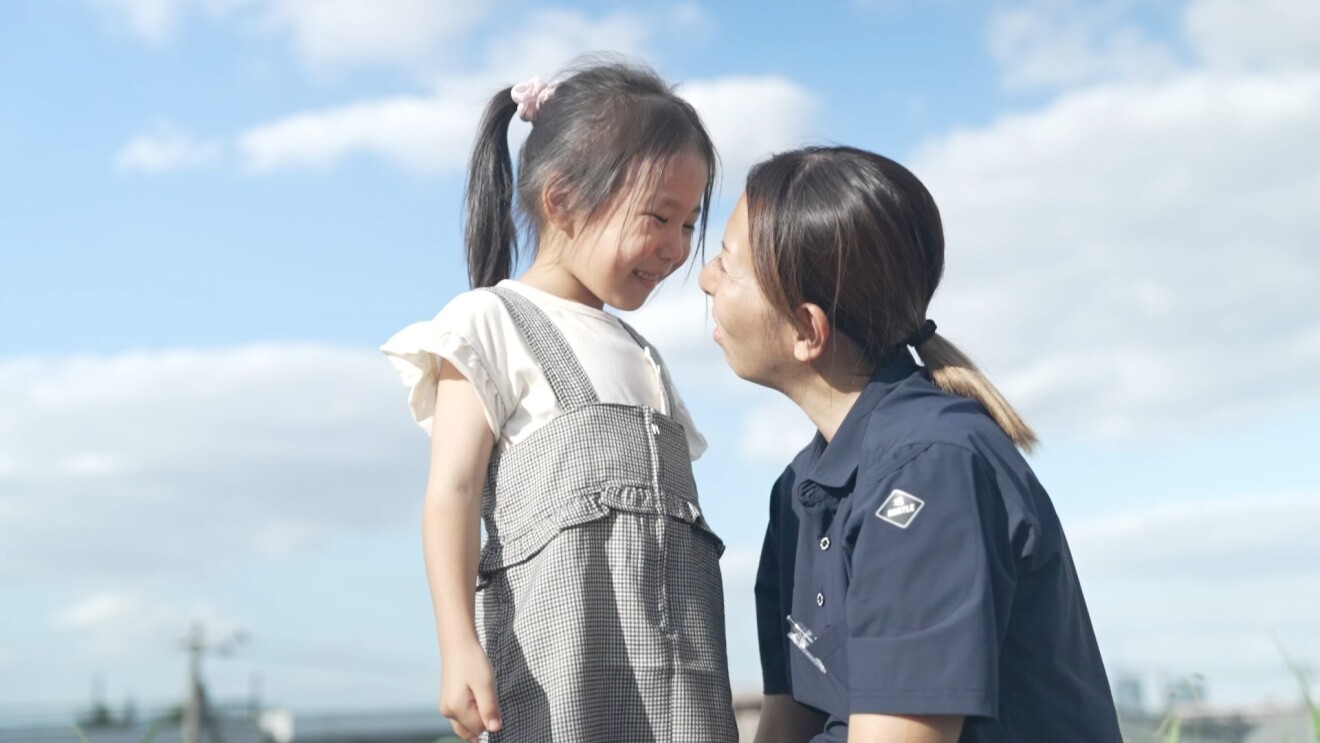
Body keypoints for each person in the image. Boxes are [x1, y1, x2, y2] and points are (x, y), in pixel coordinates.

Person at [698, 146, 1121, 742]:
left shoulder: (932, 469)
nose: (705, 278)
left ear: (806, 330)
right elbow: (789, 720)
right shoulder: (798, 492)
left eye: (727, 262)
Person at [381, 61, 738, 742]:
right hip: (560, 684)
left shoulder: (643, 355)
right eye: (659, 216)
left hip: (681, 693)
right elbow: (450, 492)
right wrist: (459, 644)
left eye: (691, 223)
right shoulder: (490, 321)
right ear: (562, 201)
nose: (675, 247)